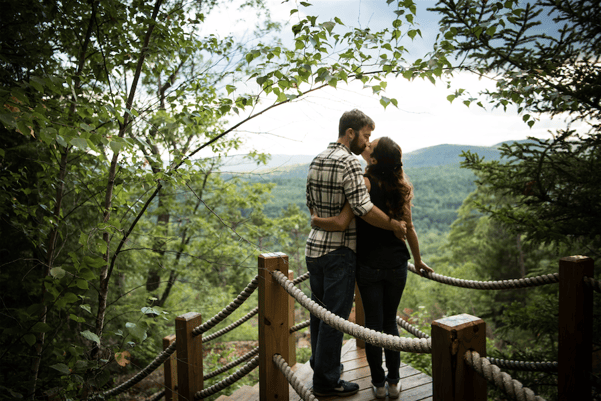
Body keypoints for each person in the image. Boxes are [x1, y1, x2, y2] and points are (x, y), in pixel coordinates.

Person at [311, 136, 434, 399]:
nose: (367, 146)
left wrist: (317, 219)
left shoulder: (364, 183)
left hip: (368, 265)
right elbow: (409, 228)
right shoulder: (401, 187)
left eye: (371, 146)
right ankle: (394, 381)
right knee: (390, 322)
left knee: (373, 326)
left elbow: (345, 217)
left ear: (375, 159)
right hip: (398, 264)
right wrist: (418, 260)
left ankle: (377, 383)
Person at [305, 110, 408, 398]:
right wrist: (394, 225)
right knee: (335, 320)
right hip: (339, 252)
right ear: (350, 133)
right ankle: (326, 382)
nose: (367, 142)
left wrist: (319, 221)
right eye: (365, 135)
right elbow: (362, 208)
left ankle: (324, 367)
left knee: (318, 315)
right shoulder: (350, 162)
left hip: (314, 250)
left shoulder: (318, 158)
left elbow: (310, 203)